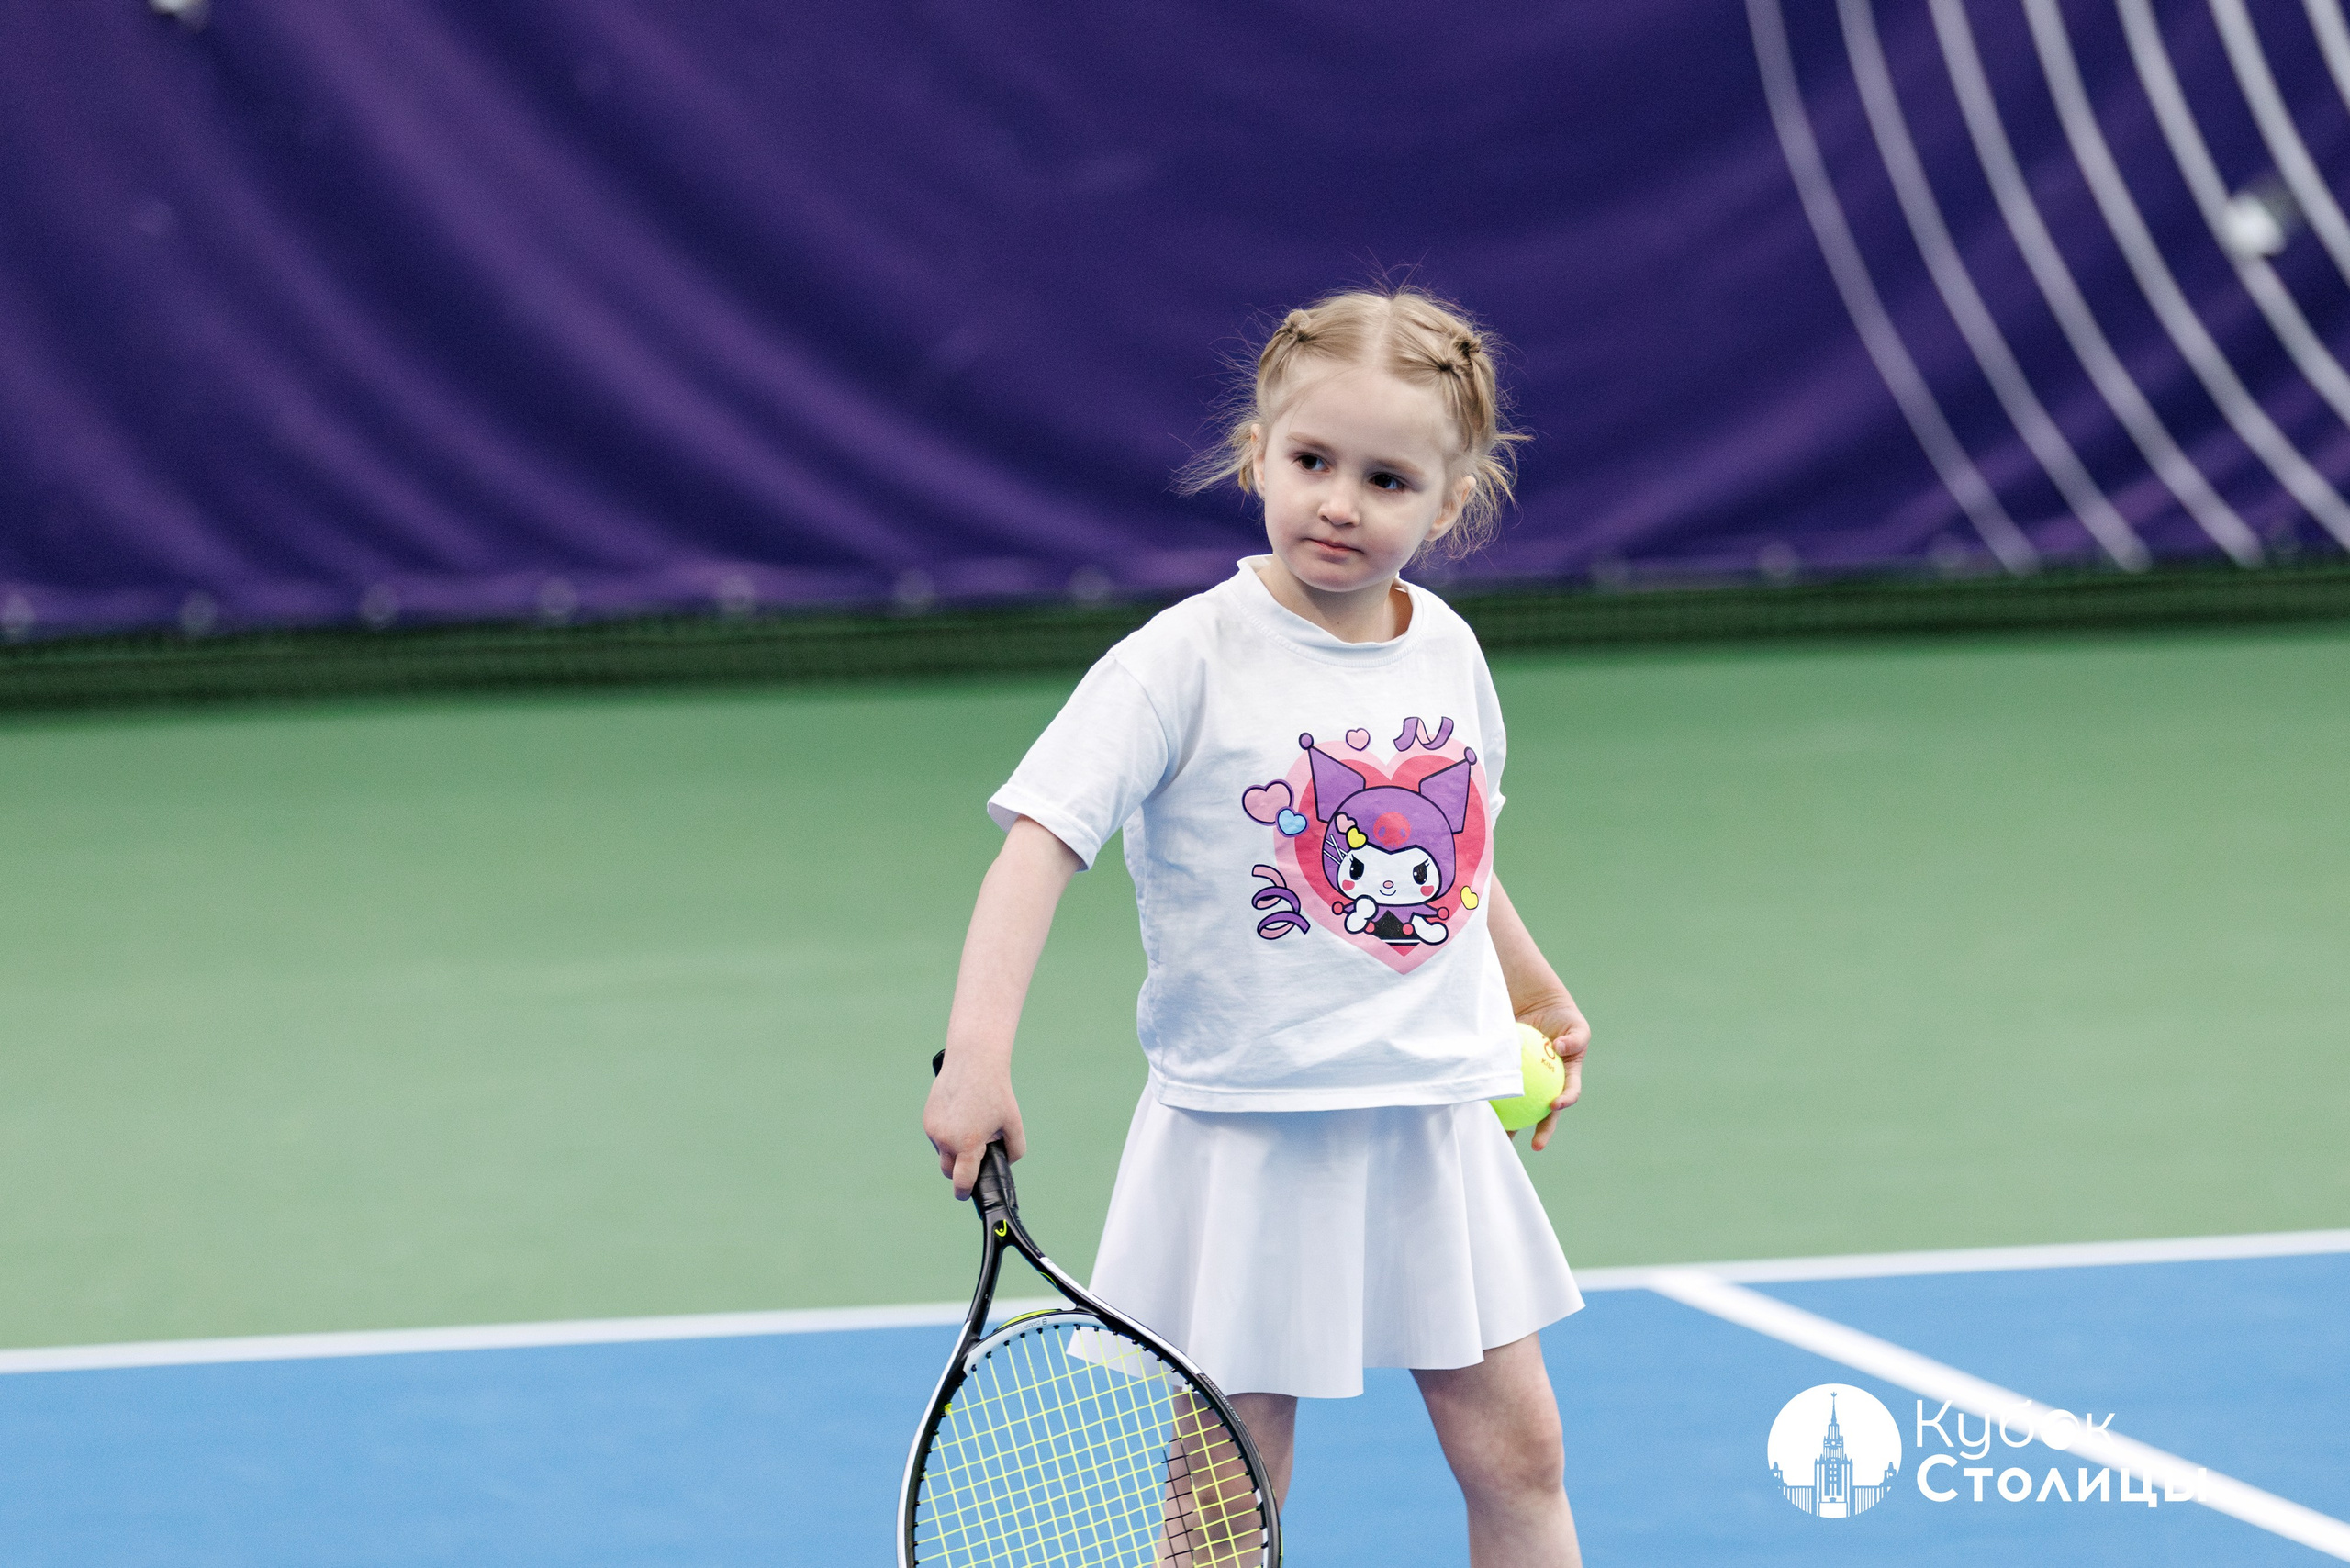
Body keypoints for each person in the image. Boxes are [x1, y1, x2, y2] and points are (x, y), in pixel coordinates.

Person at [923, 286, 1593, 1567]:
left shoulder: (1448, 652)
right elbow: (1041, 842)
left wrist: (1532, 990)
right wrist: (976, 1055)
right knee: (1232, 1488)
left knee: (1522, 1458)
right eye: (1312, 462)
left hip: (1430, 1125)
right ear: (1257, 456)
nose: (1341, 501)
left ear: (1449, 505)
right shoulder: (1178, 663)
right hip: (1249, 1134)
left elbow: (1460, 855)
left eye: (1388, 478)